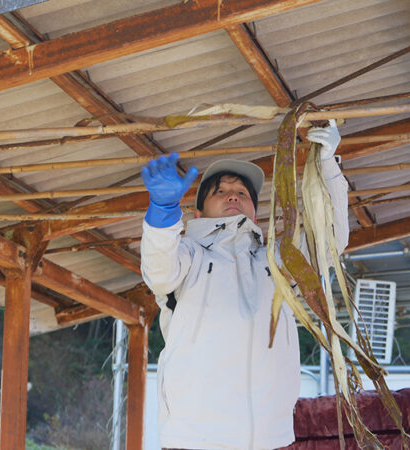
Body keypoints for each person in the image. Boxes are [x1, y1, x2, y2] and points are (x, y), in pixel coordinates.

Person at [140, 121, 348, 449]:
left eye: (242, 193)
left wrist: (327, 165)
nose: (233, 195)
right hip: (193, 438)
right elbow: (158, 269)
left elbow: (329, 240)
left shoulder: (277, 263)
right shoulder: (188, 256)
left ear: (255, 215)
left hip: (268, 438)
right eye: (220, 191)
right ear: (197, 214)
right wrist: (162, 214)